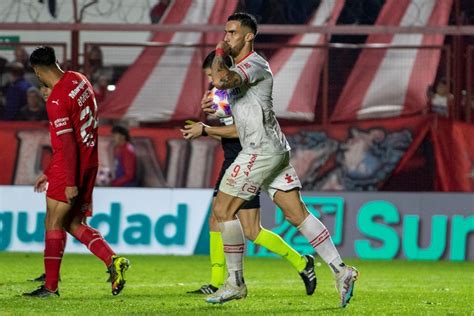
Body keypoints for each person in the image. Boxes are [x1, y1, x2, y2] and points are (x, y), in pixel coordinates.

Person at [197, 13, 358, 307]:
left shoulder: (253, 64)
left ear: (248, 37)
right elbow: (245, 112)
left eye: (232, 32)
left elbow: (221, 78)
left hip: (259, 151)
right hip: (274, 149)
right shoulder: (244, 70)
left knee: (222, 210)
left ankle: (235, 282)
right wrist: (217, 111)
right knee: (297, 214)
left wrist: (219, 50)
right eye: (226, 32)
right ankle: (341, 270)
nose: (227, 36)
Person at [182, 51, 316, 296]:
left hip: (249, 160)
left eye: (213, 73)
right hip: (234, 159)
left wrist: (206, 129)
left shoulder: (244, 90)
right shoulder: (221, 92)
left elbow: (241, 130)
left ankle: (299, 263)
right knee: (231, 223)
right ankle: (217, 281)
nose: (211, 79)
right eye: (209, 76)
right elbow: (224, 120)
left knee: (240, 225)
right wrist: (211, 112)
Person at [23, 46, 130, 298]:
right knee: (72, 223)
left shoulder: (57, 100)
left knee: (53, 222)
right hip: (89, 161)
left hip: (70, 166)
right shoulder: (79, 79)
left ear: (38, 71)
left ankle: (50, 287)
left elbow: (68, 144)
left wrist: (68, 180)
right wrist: (50, 171)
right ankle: (113, 261)